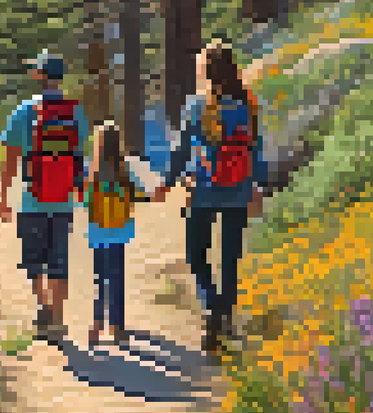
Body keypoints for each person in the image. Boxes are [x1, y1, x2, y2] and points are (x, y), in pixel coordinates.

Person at [155, 38, 269, 357]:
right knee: (230, 259)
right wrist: (259, 186)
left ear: (205, 71)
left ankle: (211, 311)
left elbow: (180, 152)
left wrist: (167, 182)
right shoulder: (248, 106)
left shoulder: (196, 106)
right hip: (238, 190)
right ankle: (226, 320)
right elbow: (255, 150)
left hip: (203, 190)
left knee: (196, 256)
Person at [0, 51, 91, 344]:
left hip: (31, 198)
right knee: (59, 260)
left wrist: (3, 198)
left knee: (34, 259)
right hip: (63, 199)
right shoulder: (75, 113)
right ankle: (58, 319)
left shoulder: (24, 111)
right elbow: (79, 156)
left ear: (39, 75)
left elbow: (10, 161)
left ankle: (42, 306)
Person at [82, 120, 160, 347]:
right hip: (119, 230)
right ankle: (117, 327)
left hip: (97, 231)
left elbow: (84, 199)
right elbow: (141, 193)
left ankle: (96, 325)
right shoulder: (125, 169)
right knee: (117, 278)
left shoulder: (92, 170)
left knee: (100, 278)